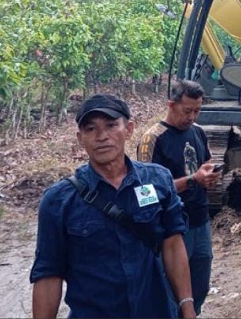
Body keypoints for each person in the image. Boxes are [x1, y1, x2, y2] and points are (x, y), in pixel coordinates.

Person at [30, 93, 196, 319]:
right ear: (80, 138)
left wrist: (187, 307)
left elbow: (173, 244)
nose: (102, 136)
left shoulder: (158, 180)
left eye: (110, 125)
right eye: (91, 129)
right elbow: (49, 273)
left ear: (128, 129)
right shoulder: (59, 201)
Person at [137, 80, 221, 317]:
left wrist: (210, 175)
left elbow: (203, 164)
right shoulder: (153, 139)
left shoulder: (198, 132)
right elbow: (145, 192)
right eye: (187, 111)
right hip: (172, 226)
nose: (192, 116)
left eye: (197, 110)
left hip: (200, 220)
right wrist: (193, 180)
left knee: (199, 285)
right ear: (171, 105)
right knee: (172, 288)